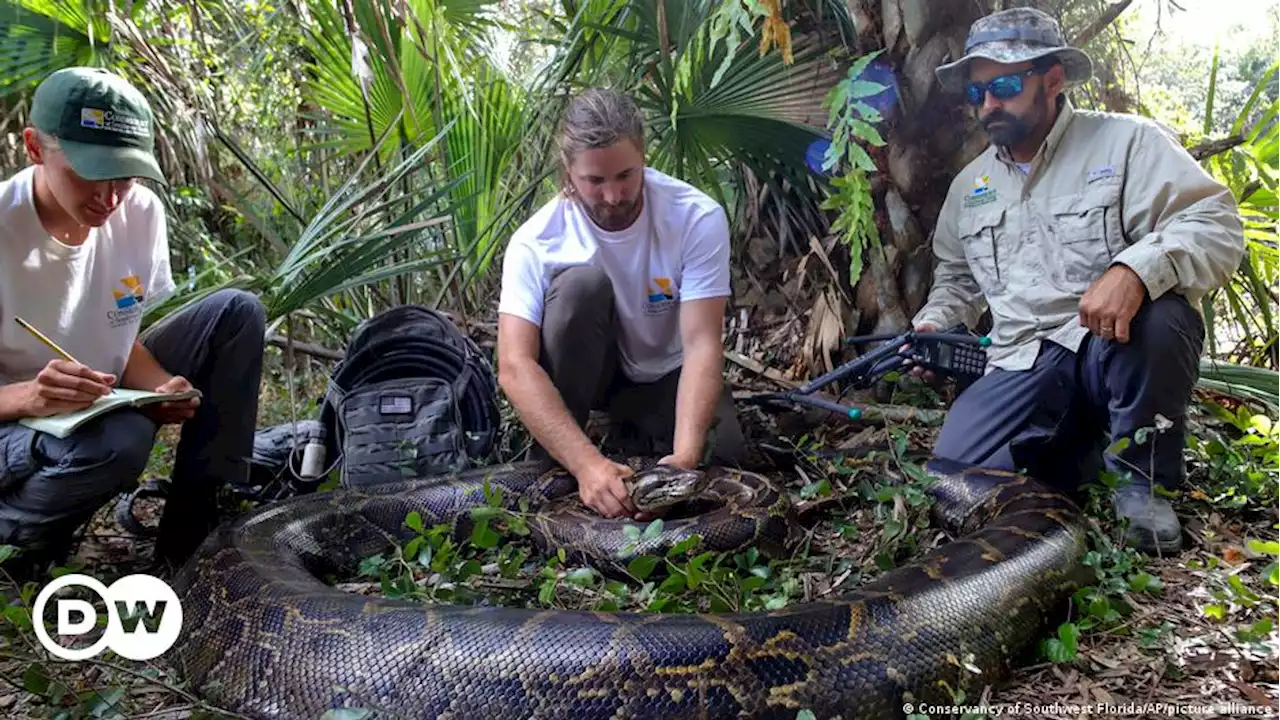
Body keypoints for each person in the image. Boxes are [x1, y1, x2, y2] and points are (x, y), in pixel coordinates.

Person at [910, 7, 1245, 554]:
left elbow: (1215, 223)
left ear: (1053, 80)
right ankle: (1079, 458)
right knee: (949, 478)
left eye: (1006, 86)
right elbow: (956, 280)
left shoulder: (1127, 143)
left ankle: (1142, 483)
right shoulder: (971, 185)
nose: (989, 104)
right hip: (1020, 360)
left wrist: (1134, 270)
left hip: (1108, 345)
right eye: (978, 93)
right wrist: (935, 321)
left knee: (1163, 315)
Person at [0, 67, 266, 581]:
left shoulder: (139, 213)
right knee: (120, 438)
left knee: (236, 313)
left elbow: (119, 337)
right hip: (17, 422)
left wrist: (161, 386)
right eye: (88, 172)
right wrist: (30, 397)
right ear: (34, 148)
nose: (109, 197)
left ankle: (196, 531)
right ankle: (18, 542)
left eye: (123, 175)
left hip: (90, 402)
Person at [496, 88, 746, 520]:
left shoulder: (696, 217)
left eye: (626, 176)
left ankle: (636, 435)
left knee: (724, 457)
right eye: (595, 181)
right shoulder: (535, 241)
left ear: (644, 155)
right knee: (579, 289)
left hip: (663, 373)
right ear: (568, 172)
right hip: (592, 378)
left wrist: (683, 459)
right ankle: (555, 463)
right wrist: (586, 465)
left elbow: (703, 344)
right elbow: (515, 365)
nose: (613, 196)